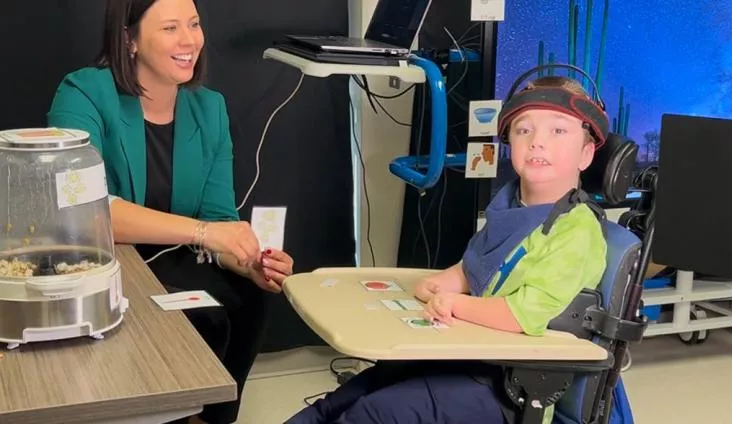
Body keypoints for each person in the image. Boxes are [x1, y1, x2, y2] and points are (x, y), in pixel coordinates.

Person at [286, 75, 608, 424]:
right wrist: (445, 283)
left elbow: (521, 315)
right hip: (468, 356)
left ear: (586, 153)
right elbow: (475, 269)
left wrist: (455, 303)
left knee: (373, 413)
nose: (537, 143)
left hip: (512, 386)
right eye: (523, 130)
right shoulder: (510, 208)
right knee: (348, 396)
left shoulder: (576, 231)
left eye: (558, 131)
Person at [46, 0, 294, 422]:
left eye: (194, 24)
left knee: (250, 293)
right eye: (170, 28)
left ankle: (210, 418)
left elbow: (218, 217)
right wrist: (204, 233)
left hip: (176, 258)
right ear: (130, 39)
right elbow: (82, 212)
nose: (189, 40)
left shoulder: (209, 108)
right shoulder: (82, 93)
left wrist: (248, 259)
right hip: (105, 263)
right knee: (201, 318)